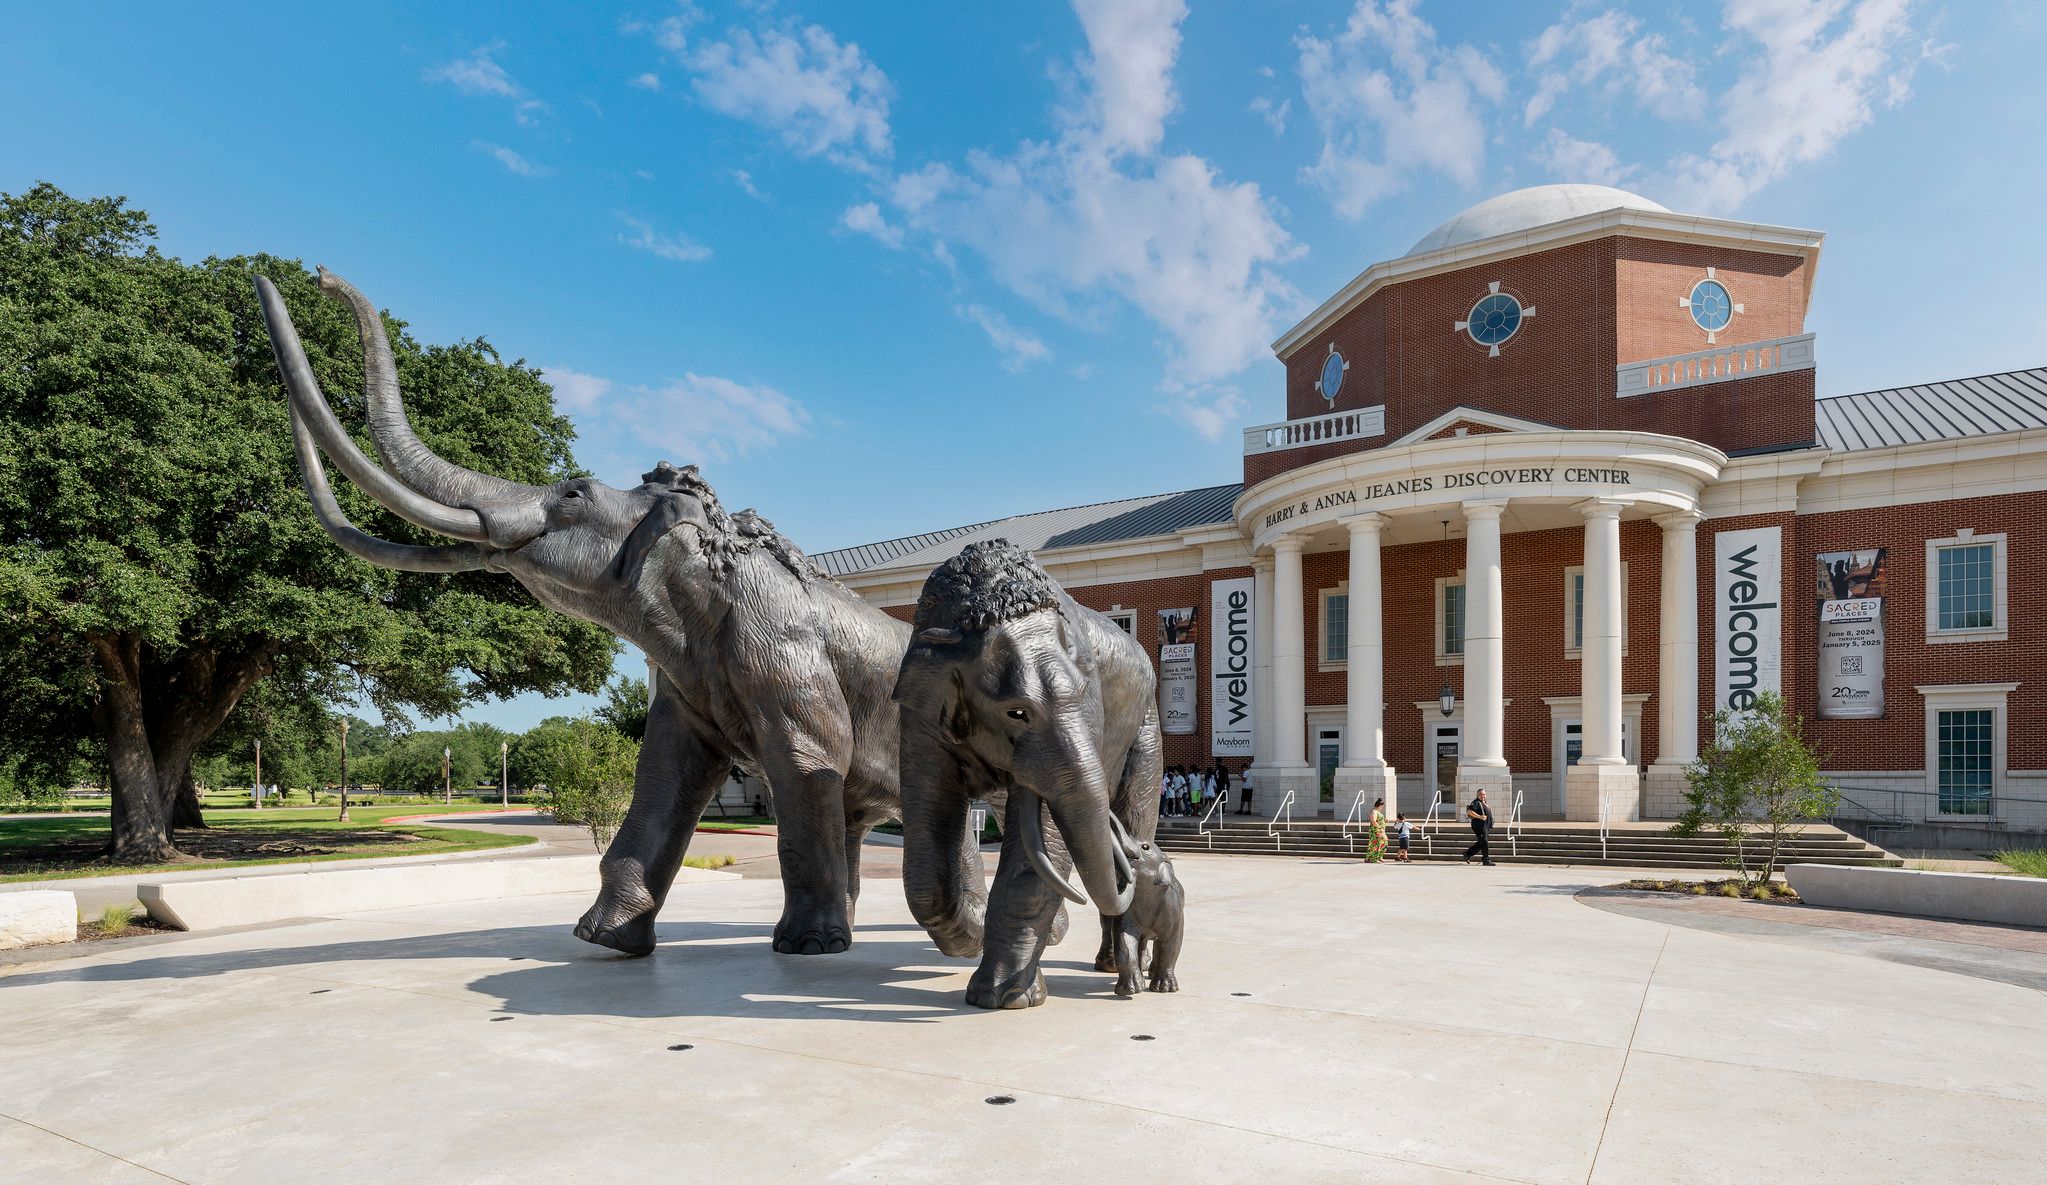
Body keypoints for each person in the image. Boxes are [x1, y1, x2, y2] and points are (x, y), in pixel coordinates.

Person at [1464, 788, 1495, 865]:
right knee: (1484, 842)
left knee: (1482, 842)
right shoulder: (1476, 802)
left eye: (1483, 794)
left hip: (1485, 826)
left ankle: (1467, 854)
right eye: (1480, 794)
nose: (1482, 796)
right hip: (1479, 826)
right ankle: (1486, 860)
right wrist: (1480, 817)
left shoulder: (1484, 802)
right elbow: (1469, 811)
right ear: (1477, 795)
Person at [1365, 797, 1387, 863]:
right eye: (1382, 806)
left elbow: (1379, 820)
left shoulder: (1377, 812)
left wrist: (1385, 820)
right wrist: (1380, 828)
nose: (1382, 808)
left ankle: (1379, 856)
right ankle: (1372, 858)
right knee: (1375, 844)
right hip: (1376, 830)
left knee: (1383, 843)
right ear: (1380, 805)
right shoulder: (1374, 811)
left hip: (1380, 830)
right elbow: (1374, 821)